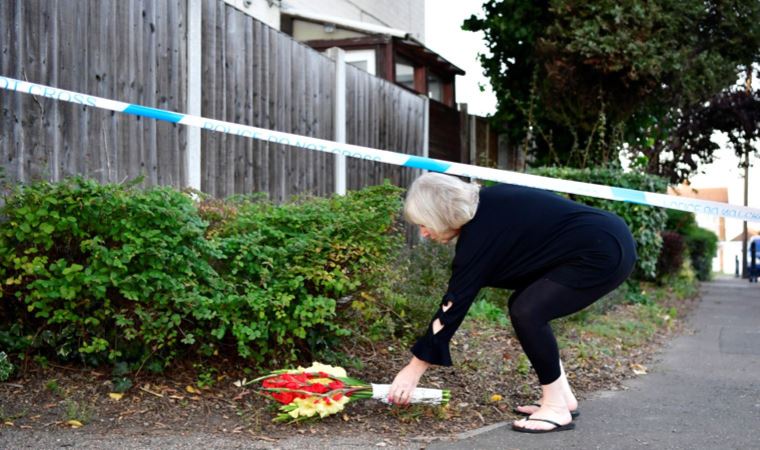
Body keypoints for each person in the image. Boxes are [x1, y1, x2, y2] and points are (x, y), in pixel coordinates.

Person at [387, 173, 637, 433]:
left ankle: (556, 408)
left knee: (528, 311)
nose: (423, 233)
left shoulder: (478, 238)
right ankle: (562, 398)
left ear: (441, 213)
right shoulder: (490, 203)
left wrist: (413, 370)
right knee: (524, 303)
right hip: (609, 237)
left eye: (424, 223)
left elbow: (453, 306)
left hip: (603, 252)